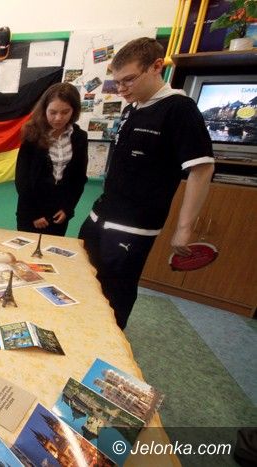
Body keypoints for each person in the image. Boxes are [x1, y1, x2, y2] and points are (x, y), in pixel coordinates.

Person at [79, 37, 214, 329]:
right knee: (84, 281)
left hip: (133, 227)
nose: (122, 89)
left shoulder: (179, 108)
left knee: (114, 294)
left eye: (129, 80)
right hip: (100, 216)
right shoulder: (131, 109)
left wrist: (184, 229)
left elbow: (202, 170)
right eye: (117, 82)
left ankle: (109, 346)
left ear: (156, 67)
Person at [15, 82, 88, 236]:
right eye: (52, 112)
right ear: (44, 110)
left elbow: (79, 178)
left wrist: (67, 208)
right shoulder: (32, 134)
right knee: (27, 247)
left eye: (65, 112)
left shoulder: (80, 137)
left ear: (74, 111)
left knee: (53, 248)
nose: (58, 118)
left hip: (59, 211)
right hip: (32, 208)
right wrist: (34, 214)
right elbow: (22, 178)